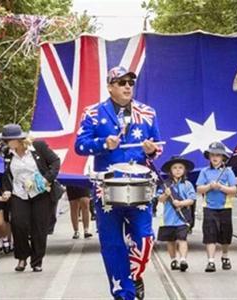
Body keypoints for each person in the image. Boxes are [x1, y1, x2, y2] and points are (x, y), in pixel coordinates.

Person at [75, 66, 161, 300]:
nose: (127, 87)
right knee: (112, 246)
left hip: (140, 186)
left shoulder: (147, 112)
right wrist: (104, 143)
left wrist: (151, 150)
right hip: (107, 188)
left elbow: (158, 146)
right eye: (121, 82)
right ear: (110, 86)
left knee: (144, 240)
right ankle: (124, 294)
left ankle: (134, 274)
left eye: (130, 83)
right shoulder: (92, 112)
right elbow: (79, 146)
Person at [0, 124, 62, 273]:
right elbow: (6, 175)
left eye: (9, 140)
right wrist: (7, 190)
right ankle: (22, 257)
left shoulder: (38, 147)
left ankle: (37, 260)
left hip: (40, 192)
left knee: (39, 228)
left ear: (18, 139)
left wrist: (47, 179)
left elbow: (55, 161)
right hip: (19, 193)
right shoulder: (8, 153)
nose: (7, 143)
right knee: (18, 224)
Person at [196, 141, 237, 273]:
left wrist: (221, 187)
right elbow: (199, 189)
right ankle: (211, 261)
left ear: (223, 157)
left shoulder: (228, 171)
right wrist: (209, 186)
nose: (215, 157)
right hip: (209, 207)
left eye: (218, 155)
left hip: (225, 207)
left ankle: (225, 256)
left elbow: (234, 189)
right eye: (212, 154)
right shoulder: (204, 171)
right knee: (210, 233)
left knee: (226, 233)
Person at [157, 156, 196, 272]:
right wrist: (166, 194)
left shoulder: (188, 184)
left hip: (182, 218)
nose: (178, 170)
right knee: (171, 240)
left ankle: (183, 259)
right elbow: (159, 199)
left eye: (180, 168)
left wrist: (181, 203)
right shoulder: (165, 185)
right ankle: (173, 259)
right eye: (175, 168)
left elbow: (192, 199)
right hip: (168, 218)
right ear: (170, 170)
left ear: (184, 170)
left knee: (182, 238)